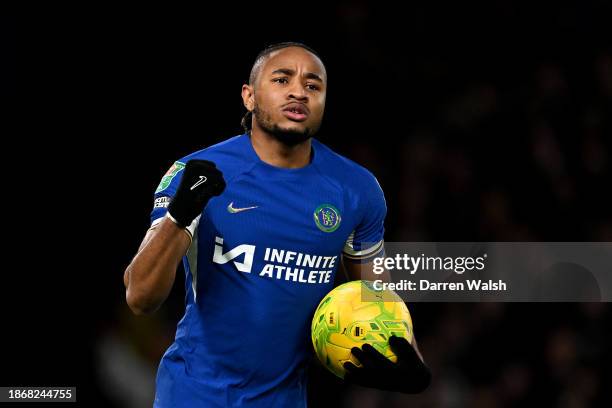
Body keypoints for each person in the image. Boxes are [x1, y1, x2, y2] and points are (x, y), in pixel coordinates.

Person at [123, 42, 430, 407]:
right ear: (249, 97)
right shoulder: (199, 174)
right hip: (193, 395)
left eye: (313, 86)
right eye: (282, 79)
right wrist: (179, 215)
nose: (299, 91)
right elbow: (140, 297)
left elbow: (378, 298)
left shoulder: (357, 190)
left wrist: (413, 367)